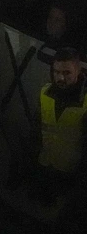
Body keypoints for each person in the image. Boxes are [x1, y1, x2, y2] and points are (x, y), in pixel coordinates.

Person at [34, 48, 86, 201]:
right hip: (45, 163)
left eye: (67, 73)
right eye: (56, 72)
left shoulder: (85, 103)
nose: (60, 78)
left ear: (78, 71)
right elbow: (37, 128)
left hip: (69, 173)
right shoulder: (45, 92)